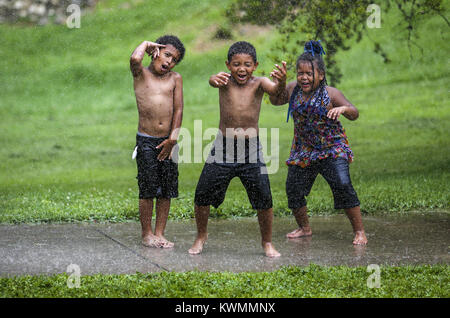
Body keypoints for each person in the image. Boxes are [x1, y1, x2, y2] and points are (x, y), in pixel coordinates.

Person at [188, 41, 287, 258]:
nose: (241, 69)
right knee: (203, 193)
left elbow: (276, 93)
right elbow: (213, 80)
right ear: (228, 65)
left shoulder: (260, 83)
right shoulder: (225, 82)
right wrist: (211, 79)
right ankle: (201, 235)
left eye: (247, 64)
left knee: (264, 196)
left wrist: (281, 82)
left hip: (251, 149)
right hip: (223, 147)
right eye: (236, 64)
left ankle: (267, 242)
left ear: (255, 65)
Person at [269, 40, 368, 245]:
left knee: (342, 183)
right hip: (303, 150)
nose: (304, 77)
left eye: (309, 73)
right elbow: (275, 100)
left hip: (332, 148)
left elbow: (354, 113)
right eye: (300, 73)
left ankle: (359, 231)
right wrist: (280, 83)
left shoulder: (331, 93)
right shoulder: (293, 89)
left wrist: (343, 109)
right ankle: (304, 228)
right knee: (293, 189)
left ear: (320, 75)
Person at [129, 35, 185, 248]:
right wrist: (145, 44)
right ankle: (147, 234)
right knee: (148, 188)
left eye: (174, 59)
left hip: (168, 141)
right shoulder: (141, 74)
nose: (170, 61)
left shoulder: (175, 79)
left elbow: (179, 109)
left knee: (167, 189)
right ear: (156, 52)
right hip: (147, 141)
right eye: (167, 54)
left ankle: (160, 233)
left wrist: (173, 138)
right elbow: (135, 59)